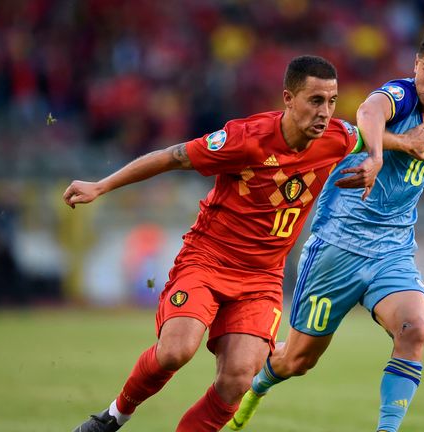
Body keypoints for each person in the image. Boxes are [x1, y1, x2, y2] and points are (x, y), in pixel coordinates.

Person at [65, 55, 384, 432]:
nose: (325, 112)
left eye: (331, 101)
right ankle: (114, 417)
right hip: (208, 260)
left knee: (237, 380)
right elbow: (172, 157)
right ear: (288, 98)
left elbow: (369, 133)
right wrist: (101, 185)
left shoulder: (335, 137)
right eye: (315, 101)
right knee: (175, 352)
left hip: (262, 277)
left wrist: (392, 149)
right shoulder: (244, 140)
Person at [228, 26, 424, 432]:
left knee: (415, 328)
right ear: (415, 66)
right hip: (335, 248)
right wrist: (377, 155)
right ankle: (255, 391)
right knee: (297, 361)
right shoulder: (400, 95)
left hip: (391, 252)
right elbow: (369, 112)